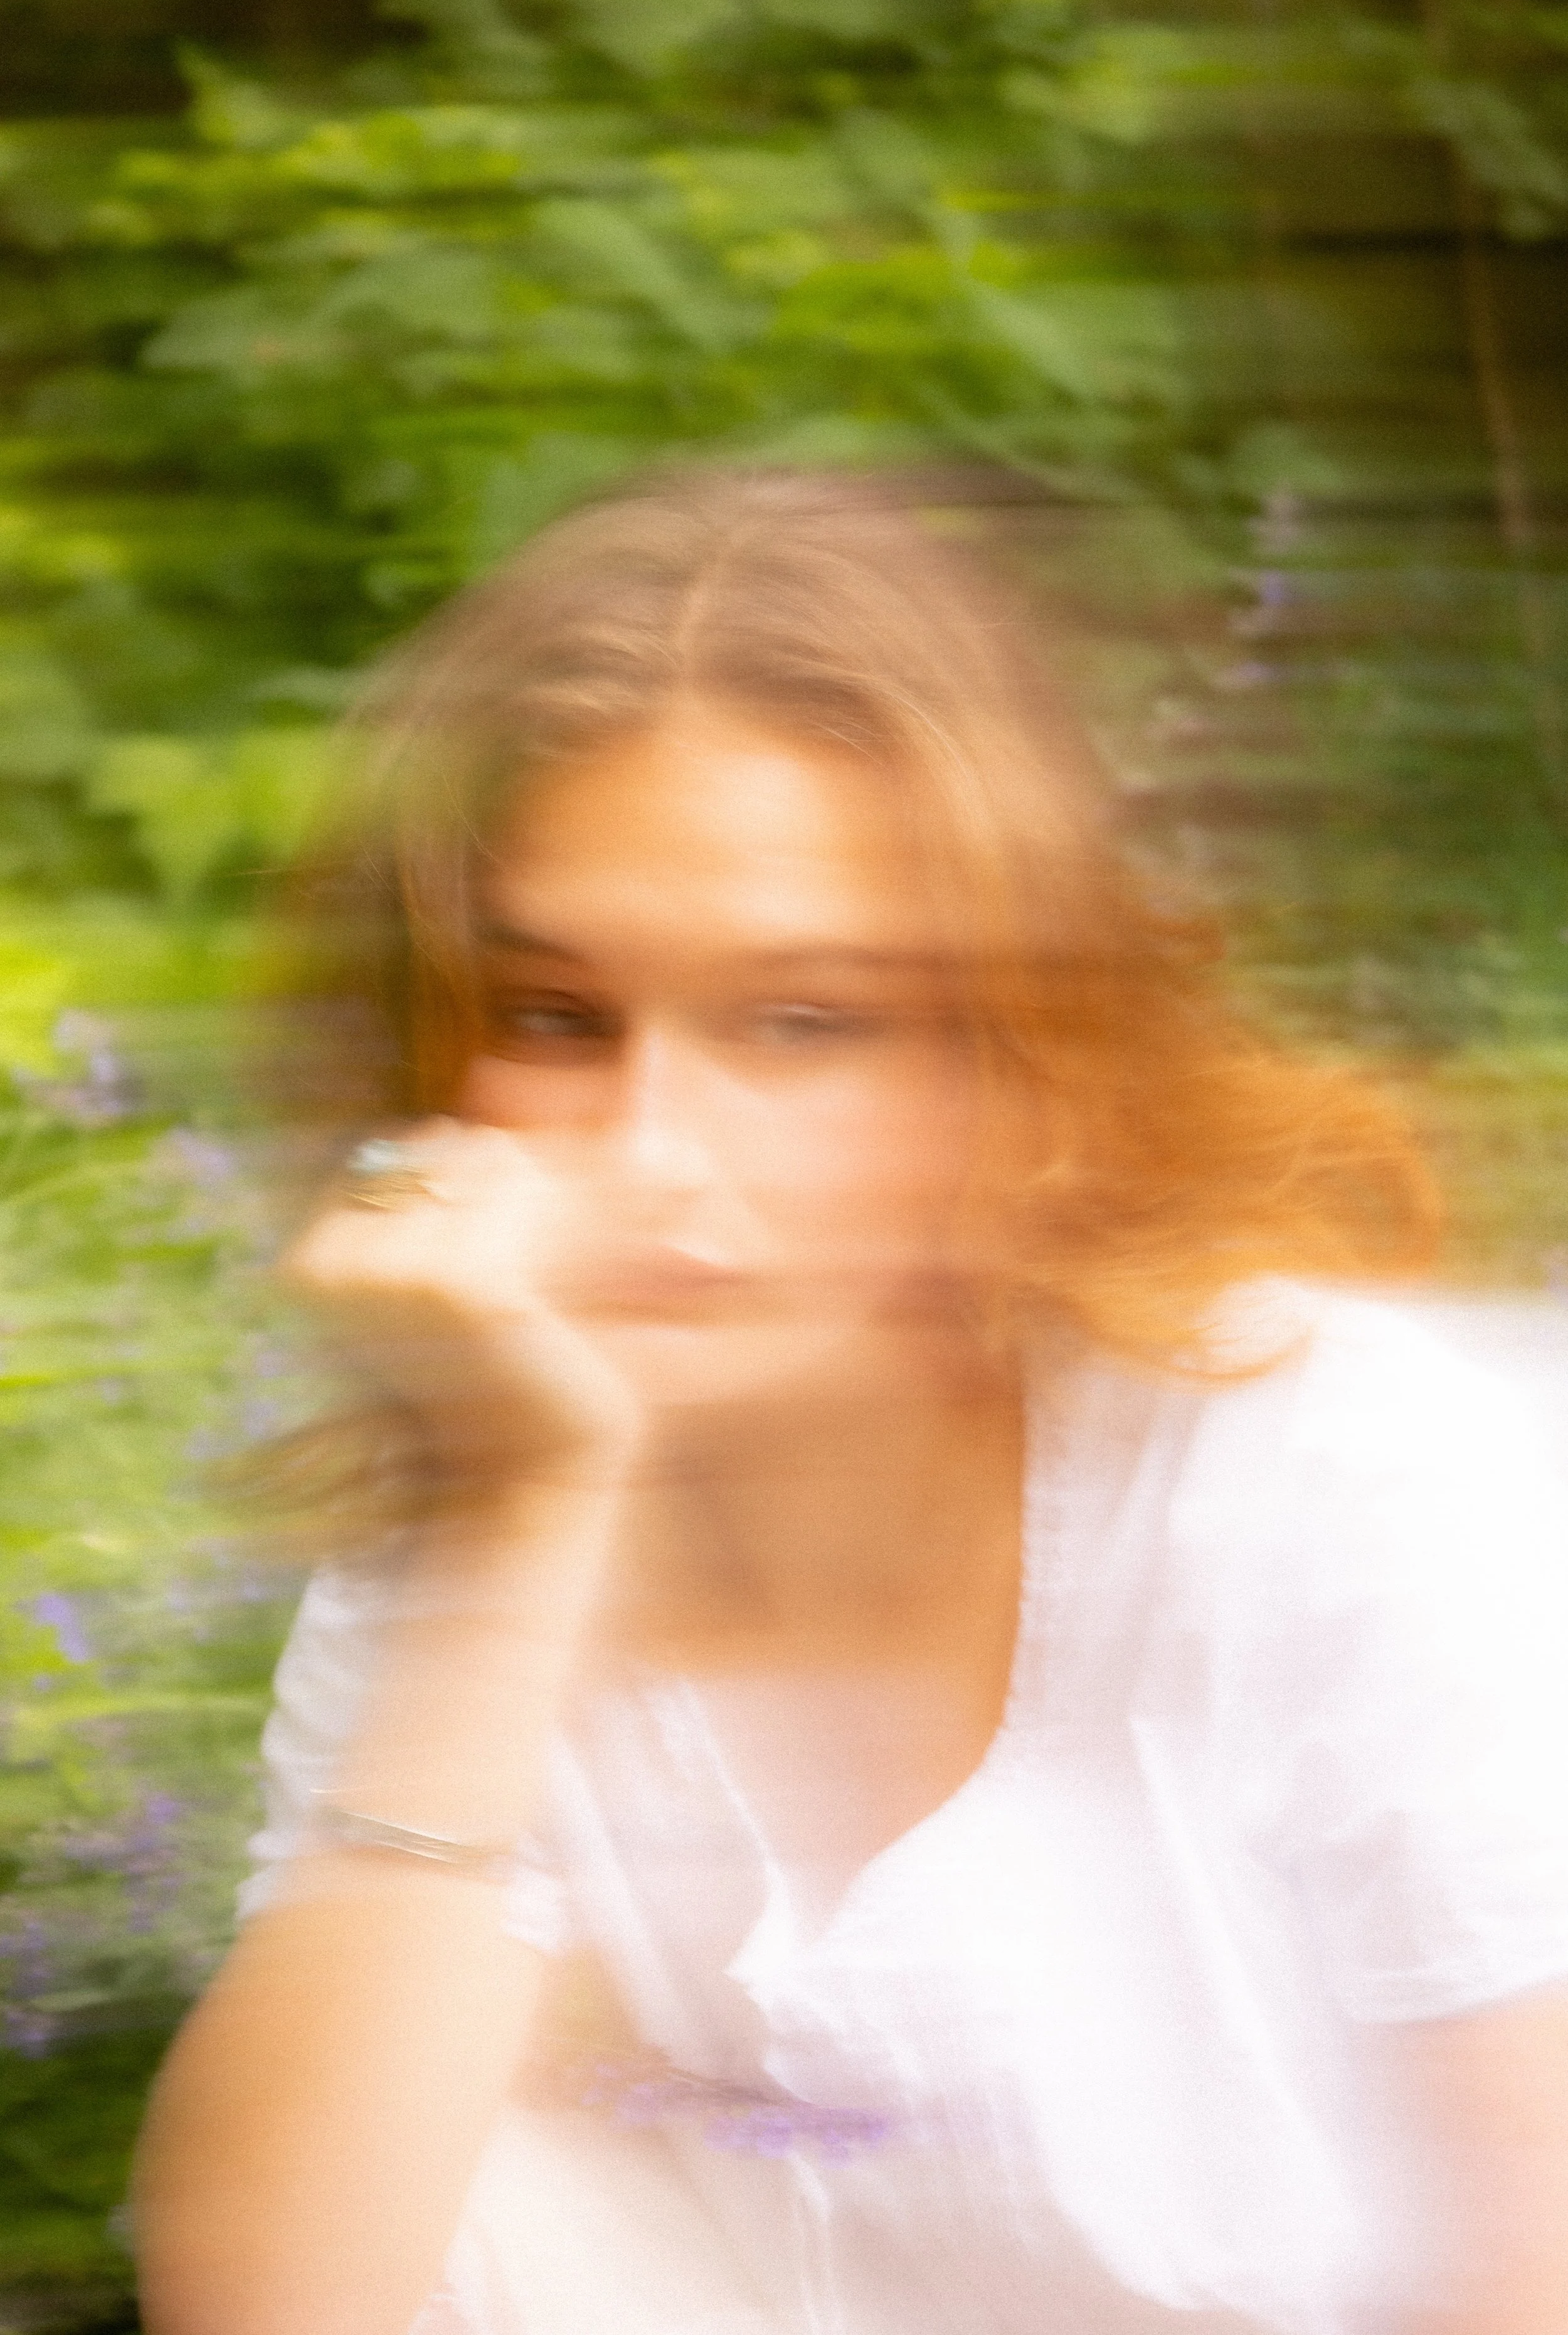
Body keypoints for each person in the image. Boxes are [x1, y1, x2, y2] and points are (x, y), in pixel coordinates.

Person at [132, 470, 1568, 2335]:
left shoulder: (1339, 1482)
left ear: (1014, 1045)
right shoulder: (491, 1516)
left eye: (802, 1023)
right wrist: (516, 1523)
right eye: (558, 1019)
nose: (655, 1153)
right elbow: (269, 2308)